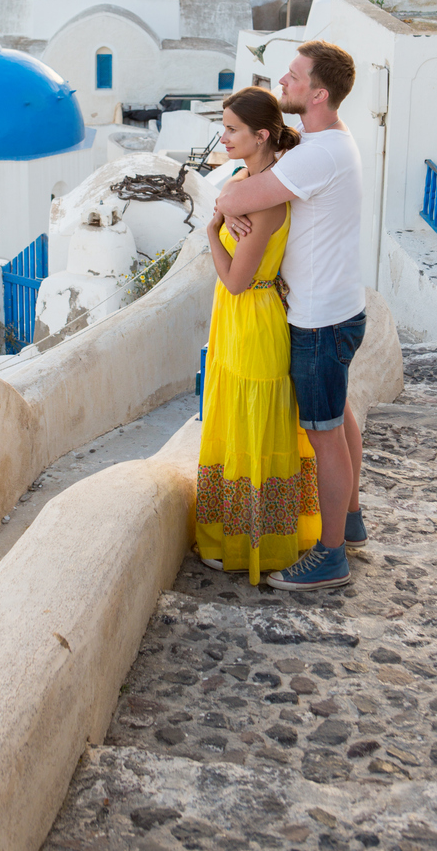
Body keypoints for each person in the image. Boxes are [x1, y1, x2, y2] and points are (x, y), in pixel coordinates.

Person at [216, 40, 366, 591]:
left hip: (320, 317)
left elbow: (235, 200)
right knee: (340, 414)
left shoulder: (316, 154)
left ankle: (331, 556)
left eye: (295, 76)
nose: (283, 80)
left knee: (323, 433)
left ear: (319, 93)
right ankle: (349, 520)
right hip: (340, 307)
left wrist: (222, 217)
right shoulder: (327, 143)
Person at [196, 87, 322, 585]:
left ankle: (256, 546)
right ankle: (231, 536)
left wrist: (213, 231)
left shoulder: (266, 198)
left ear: (261, 135)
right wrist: (225, 214)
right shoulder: (244, 182)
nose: (222, 137)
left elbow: (236, 280)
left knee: (253, 432)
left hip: (252, 317)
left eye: (231, 129)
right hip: (234, 321)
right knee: (233, 423)